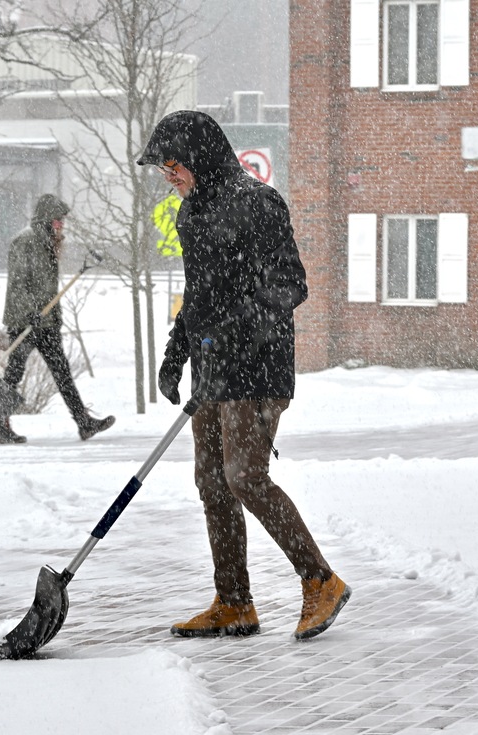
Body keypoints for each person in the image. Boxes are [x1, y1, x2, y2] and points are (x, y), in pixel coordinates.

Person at [137, 110, 350, 641]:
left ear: (200, 157)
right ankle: (234, 603)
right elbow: (198, 297)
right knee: (211, 483)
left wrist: (236, 333)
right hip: (212, 369)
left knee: (244, 476)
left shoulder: (257, 202)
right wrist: (174, 354)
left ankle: (320, 580)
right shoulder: (191, 214)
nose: (169, 176)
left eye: (173, 164)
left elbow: (290, 285)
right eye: (163, 168)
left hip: (258, 366)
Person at [0, 194, 114, 445]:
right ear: (47, 219)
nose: (61, 225)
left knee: (62, 372)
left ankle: (83, 422)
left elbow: (46, 287)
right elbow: (18, 283)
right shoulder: (24, 241)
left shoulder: (48, 242)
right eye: (58, 220)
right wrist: (31, 311)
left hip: (46, 323)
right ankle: (2, 427)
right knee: (14, 373)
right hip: (24, 321)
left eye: (62, 221)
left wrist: (50, 315)